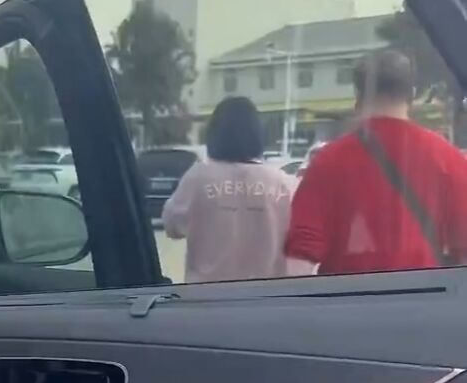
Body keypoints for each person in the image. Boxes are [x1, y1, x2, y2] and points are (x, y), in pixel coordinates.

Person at [285, 47, 467, 276]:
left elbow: (301, 255)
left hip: (348, 304)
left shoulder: (328, 161)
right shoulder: (449, 159)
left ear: (359, 96)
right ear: (411, 94)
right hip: (425, 302)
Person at [162, 96, 296, 283]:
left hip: (207, 301)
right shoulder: (283, 183)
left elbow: (172, 227)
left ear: (214, 134)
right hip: (268, 299)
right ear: (257, 134)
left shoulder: (197, 178)